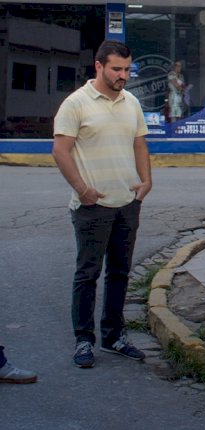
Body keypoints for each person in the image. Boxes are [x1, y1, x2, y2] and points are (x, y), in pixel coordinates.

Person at [52, 40, 152, 369]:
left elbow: (140, 144)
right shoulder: (76, 104)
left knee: (120, 272)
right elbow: (60, 151)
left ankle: (114, 335)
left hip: (127, 203)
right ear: (98, 67)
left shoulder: (131, 102)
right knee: (88, 274)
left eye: (127, 69)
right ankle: (84, 340)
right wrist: (82, 189)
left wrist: (146, 180)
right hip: (92, 206)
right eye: (116, 69)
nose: (123, 75)